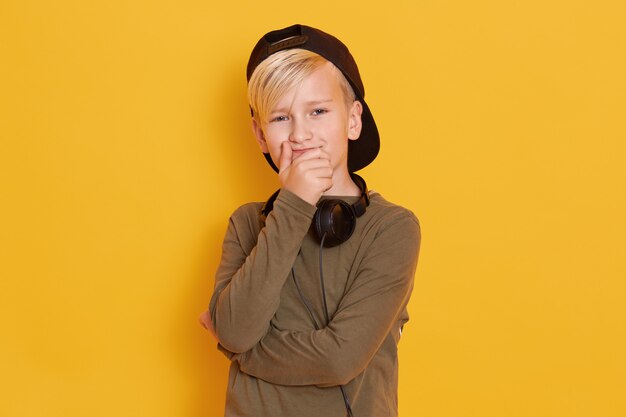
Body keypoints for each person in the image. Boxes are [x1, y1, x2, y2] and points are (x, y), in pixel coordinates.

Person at [199, 24, 421, 417]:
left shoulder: (393, 228)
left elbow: (340, 358)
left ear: (353, 121)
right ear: (260, 135)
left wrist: (240, 352)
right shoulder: (248, 224)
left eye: (318, 111)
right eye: (281, 118)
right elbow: (236, 329)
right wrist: (294, 204)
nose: (300, 134)